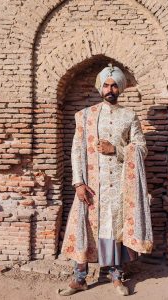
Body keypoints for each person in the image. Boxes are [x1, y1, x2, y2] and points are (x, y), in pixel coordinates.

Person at [58, 64, 153, 296]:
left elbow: (141, 148)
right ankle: (79, 278)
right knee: (85, 229)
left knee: (115, 230)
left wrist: (116, 150)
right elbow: (76, 150)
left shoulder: (129, 116)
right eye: (106, 85)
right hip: (91, 185)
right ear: (100, 88)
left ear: (120, 88)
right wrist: (78, 183)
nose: (110, 89)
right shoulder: (85, 116)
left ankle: (116, 276)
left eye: (114, 85)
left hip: (120, 186)